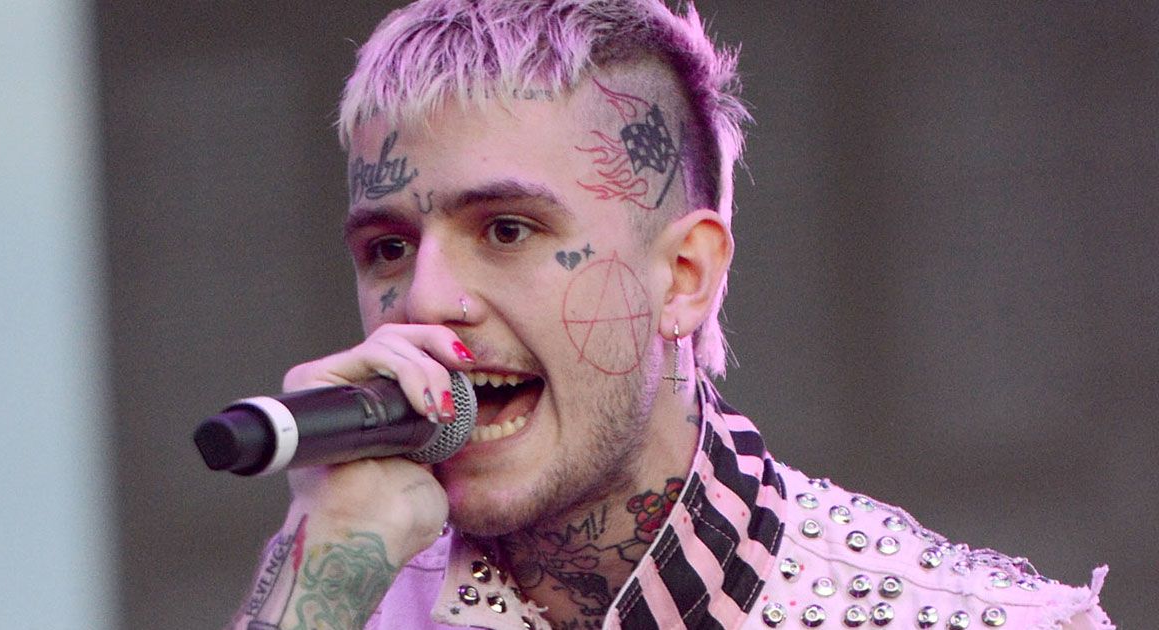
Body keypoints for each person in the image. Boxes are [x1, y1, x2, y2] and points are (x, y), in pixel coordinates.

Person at [230, 1, 1114, 628]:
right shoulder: (339, 593)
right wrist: (320, 571)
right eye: (388, 247)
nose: (424, 301)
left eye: (506, 230)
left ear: (686, 275)